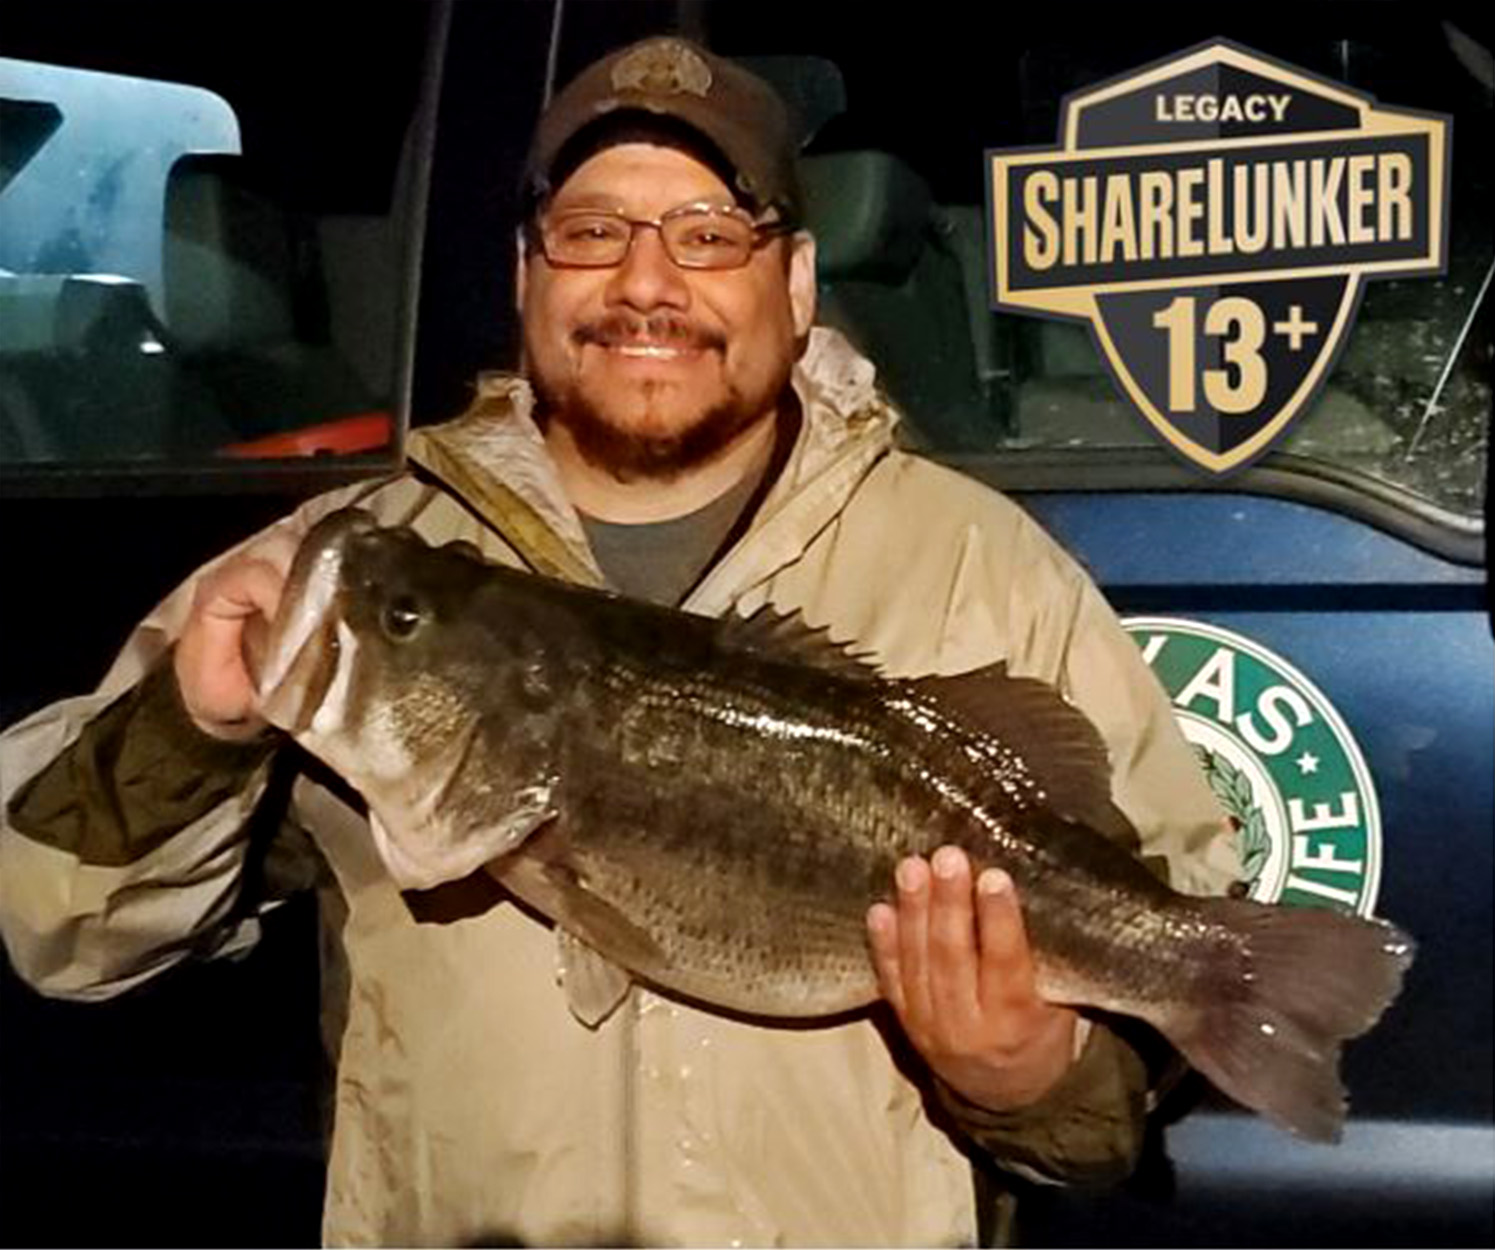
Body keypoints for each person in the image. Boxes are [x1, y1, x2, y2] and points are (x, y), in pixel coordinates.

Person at [0, 36, 1239, 1247]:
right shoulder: (350, 570)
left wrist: (1035, 1070)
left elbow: (1137, 1069)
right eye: (593, 232)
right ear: (527, 273)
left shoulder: (984, 566)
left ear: (796, 283)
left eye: (708, 233)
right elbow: (56, 927)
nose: (647, 284)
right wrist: (192, 727)